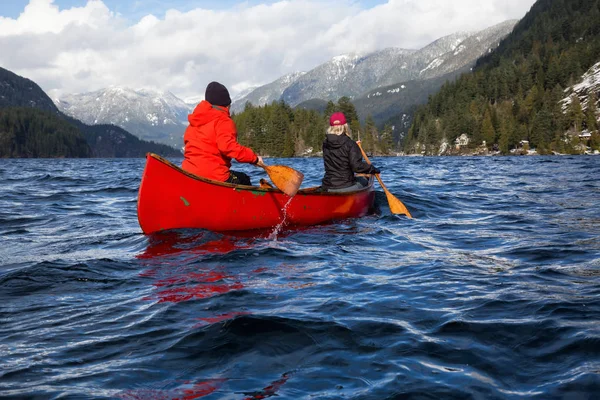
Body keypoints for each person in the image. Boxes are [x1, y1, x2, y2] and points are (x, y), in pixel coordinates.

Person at [182, 81, 263, 186]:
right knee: (244, 179)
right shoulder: (223, 120)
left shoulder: (193, 122)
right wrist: (254, 158)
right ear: (227, 105)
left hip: (188, 174)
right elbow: (228, 146)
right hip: (215, 176)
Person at [322, 112, 380, 192]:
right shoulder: (350, 144)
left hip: (327, 186)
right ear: (345, 127)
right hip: (345, 186)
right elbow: (357, 167)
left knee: (358, 177)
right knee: (364, 180)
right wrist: (372, 169)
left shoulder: (325, 144)